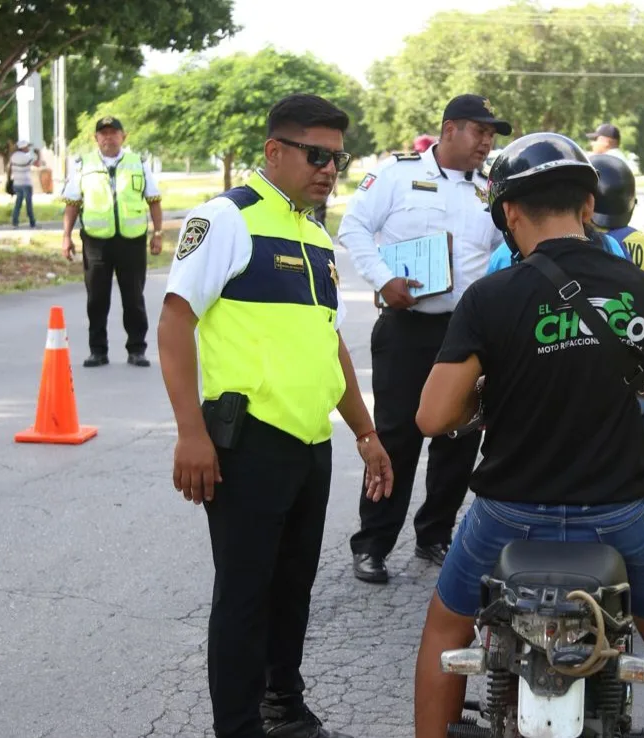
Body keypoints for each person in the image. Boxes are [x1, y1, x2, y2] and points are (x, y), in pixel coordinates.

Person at [413, 131, 644, 738]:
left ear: (510, 213)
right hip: (620, 513)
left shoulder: (490, 297)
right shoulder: (641, 289)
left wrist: (487, 403)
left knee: (445, 630)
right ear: (586, 206)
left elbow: (433, 419)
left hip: (509, 512)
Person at [158, 94, 393, 738]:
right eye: (317, 155)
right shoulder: (227, 219)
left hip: (310, 441)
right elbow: (176, 323)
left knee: (292, 588)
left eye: (337, 159)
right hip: (247, 441)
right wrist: (190, 431)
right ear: (274, 151)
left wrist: (366, 432)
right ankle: (237, 725)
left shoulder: (316, 234)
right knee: (244, 595)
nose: (328, 169)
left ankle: (281, 701)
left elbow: (331, 341)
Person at [339, 94, 510, 584]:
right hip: (406, 327)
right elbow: (354, 228)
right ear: (450, 128)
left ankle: (434, 534)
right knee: (397, 437)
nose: (487, 142)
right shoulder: (397, 174)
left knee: (459, 437)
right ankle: (372, 542)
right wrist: (381, 279)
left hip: (467, 332)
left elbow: (505, 249)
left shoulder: (491, 189)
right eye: (480, 131)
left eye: (492, 135)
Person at [61, 116, 163, 368]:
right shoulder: (83, 164)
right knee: (96, 298)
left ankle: (137, 349)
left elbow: (154, 200)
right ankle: (98, 350)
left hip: (132, 241)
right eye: (103, 133)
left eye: (113, 133)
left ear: (123, 136)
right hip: (96, 242)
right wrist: (66, 236)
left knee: (134, 297)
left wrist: (158, 233)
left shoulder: (138, 163)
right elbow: (72, 204)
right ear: (95, 138)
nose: (108, 137)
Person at [9, 140, 40, 228]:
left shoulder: (13, 156)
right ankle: (32, 222)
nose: (28, 148)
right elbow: (38, 164)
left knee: (18, 204)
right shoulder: (25, 157)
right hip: (26, 183)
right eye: (27, 146)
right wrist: (38, 154)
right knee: (28, 203)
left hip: (17, 183)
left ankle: (15, 222)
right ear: (22, 147)